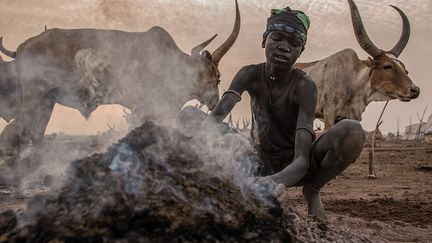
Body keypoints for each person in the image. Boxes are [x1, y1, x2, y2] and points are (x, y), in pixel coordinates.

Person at [202, 7, 365, 220]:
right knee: (192, 118)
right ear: (264, 40)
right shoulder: (248, 74)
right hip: (258, 161)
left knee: (352, 130)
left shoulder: (304, 86)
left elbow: (301, 160)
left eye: (294, 43)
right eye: (277, 38)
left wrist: (271, 183)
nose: (284, 48)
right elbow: (215, 119)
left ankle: (313, 191)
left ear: (301, 51)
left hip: (298, 166)